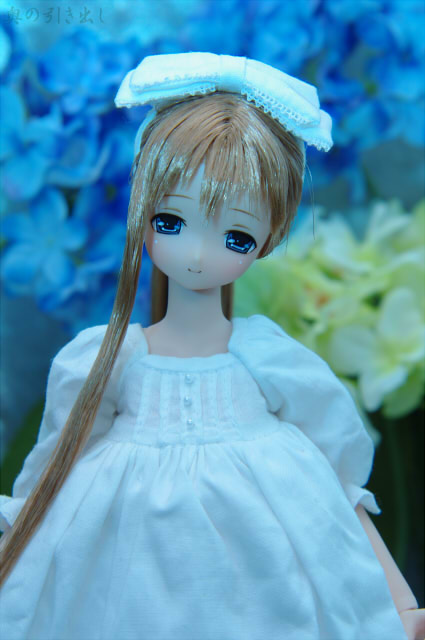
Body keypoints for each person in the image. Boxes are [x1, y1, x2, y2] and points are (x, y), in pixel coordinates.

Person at [0, 52, 423, 639]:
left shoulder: (270, 360)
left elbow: (340, 491)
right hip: (127, 586)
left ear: (268, 239)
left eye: (236, 235)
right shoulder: (108, 360)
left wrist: (400, 603)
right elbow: (49, 476)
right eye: (170, 222)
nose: (198, 254)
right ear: (142, 212)